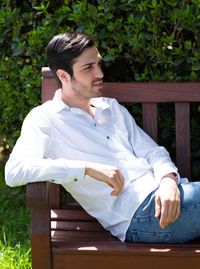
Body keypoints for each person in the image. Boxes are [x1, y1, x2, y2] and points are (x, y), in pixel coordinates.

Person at [5, 32, 200, 243]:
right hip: (139, 215)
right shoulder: (45, 119)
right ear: (63, 76)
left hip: (169, 194)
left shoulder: (111, 107)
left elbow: (152, 152)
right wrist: (86, 168)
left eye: (98, 64)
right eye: (88, 68)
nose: (99, 73)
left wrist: (168, 181)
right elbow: (15, 171)